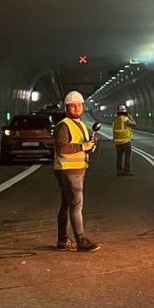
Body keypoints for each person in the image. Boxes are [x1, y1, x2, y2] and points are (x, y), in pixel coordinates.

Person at [53, 92, 99, 251]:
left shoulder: (81, 125)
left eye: (79, 105)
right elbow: (61, 149)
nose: (77, 108)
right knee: (76, 203)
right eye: (73, 105)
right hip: (68, 170)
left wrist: (90, 146)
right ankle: (81, 240)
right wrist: (83, 147)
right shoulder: (63, 125)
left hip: (78, 169)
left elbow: (84, 147)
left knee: (67, 204)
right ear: (67, 108)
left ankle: (62, 241)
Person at [112, 105, 135, 176]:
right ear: (125, 112)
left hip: (117, 141)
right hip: (126, 141)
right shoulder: (125, 119)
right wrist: (130, 117)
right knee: (127, 156)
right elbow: (134, 124)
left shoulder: (115, 119)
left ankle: (119, 171)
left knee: (119, 156)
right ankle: (127, 171)